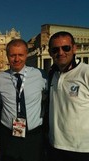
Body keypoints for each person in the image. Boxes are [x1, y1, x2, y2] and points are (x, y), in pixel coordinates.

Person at [0, 39, 47, 161]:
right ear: (7, 56)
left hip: (34, 135)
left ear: (27, 54)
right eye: (13, 55)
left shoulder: (40, 75)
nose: (17, 59)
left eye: (21, 55)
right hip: (9, 135)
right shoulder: (0, 78)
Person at [47, 31, 89, 161]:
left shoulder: (86, 72)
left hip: (82, 149)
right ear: (50, 52)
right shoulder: (51, 75)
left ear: (74, 48)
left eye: (66, 48)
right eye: (55, 49)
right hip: (54, 146)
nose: (60, 53)